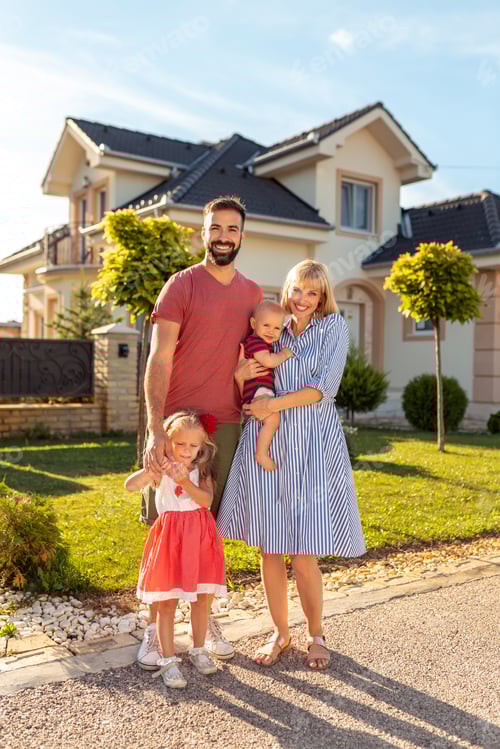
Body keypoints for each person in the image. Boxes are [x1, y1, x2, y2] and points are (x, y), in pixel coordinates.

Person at [217, 260, 366, 671]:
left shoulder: (333, 328)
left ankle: (315, 633)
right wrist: (240, 374)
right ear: (287, 289)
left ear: (323, 297)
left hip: (312, 444)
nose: (302, 300)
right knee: (272, 547)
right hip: (267, 441)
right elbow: (245, 373)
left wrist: (272, 404)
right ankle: (281, 633)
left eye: (312, 293)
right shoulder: (271, 325)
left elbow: (323, 389)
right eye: (297, 290)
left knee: (304, 551)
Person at [138, 195, 264, 670]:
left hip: (226, 425)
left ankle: (202, 619)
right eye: (216, 228)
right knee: (164, 525)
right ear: (203, 232)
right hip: (174, 422)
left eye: (232, 229)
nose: (223, 237)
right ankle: (155, 630)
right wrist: (154, 428)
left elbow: (256, 356)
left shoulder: (252, 293)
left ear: (242, 236)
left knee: (207, 523)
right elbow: (159, 357)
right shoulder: (182, 285)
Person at [126, 410, 226, 689]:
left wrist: (185, 481)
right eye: (180, 444)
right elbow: (129, 486)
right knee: (167, 601)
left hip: (199, 538)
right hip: (171, 538)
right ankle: (168, 660)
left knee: (201, 598)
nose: (186, 451)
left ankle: (199, 650)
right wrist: (152, 470)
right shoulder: (161, 471)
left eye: (193, 446)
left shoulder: (202, 469)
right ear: (167, 442)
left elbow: (205, 501)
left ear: (202, 446)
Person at [241, 301, 294, 471]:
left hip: (260, 390)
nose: (271, 331)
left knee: (270, 421)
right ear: (253, 324)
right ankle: (261, 453)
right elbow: (268, 361)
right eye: (266, 325)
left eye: (277, 328)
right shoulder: (255, 341)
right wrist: (284, 355)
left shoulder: (264, 343)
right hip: (257, 390)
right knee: (273, 420)